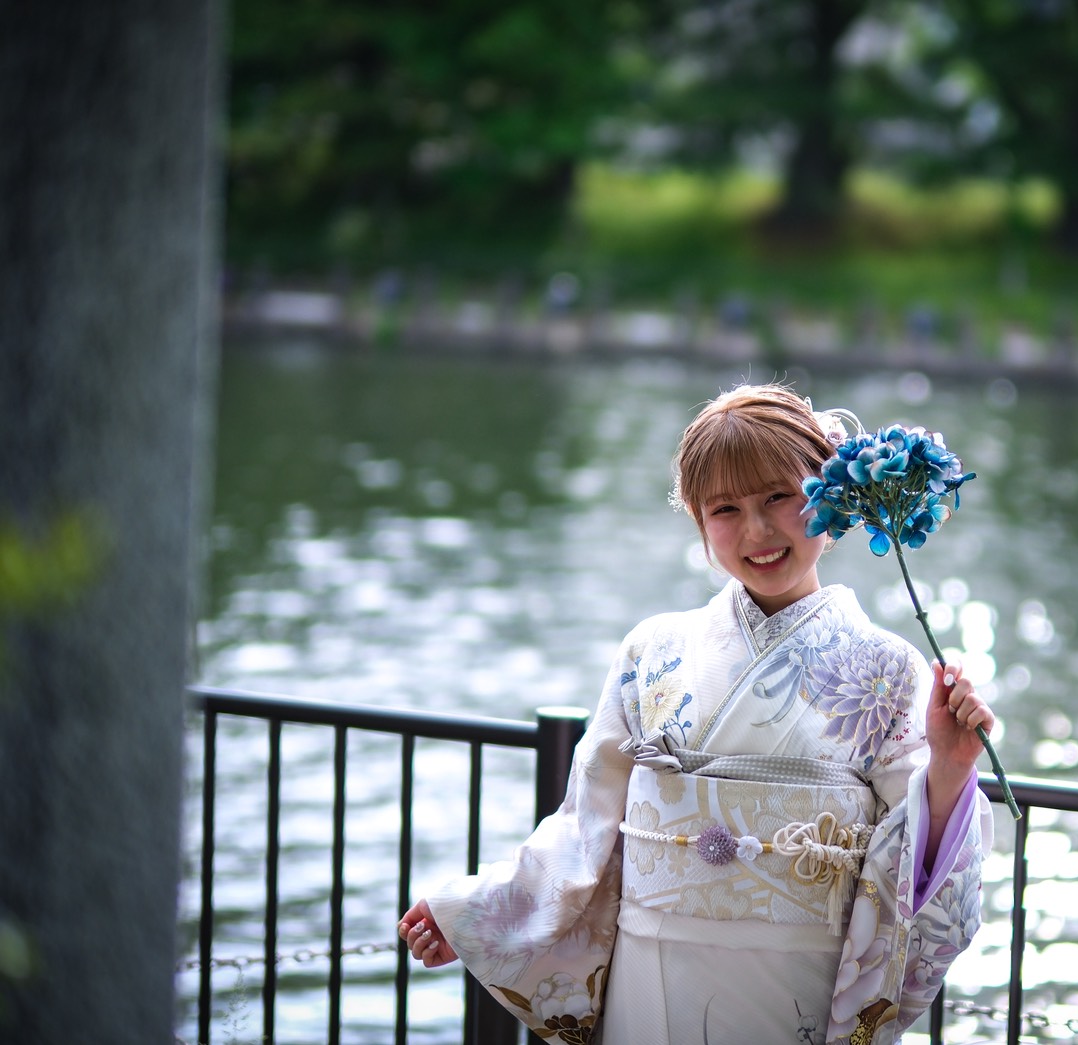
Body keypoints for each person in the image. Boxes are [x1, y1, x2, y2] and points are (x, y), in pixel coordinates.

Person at [398, 383, 996, 1044]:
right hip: (649, 969)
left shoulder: (890, 668)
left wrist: (950, 763)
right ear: (694, 517)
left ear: (828, 494)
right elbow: (587, 823)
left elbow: (915, 853)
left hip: (795, 978)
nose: (757, 530)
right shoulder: (651, 650)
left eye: (778, 496)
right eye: (725, 508)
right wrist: (482, 913)